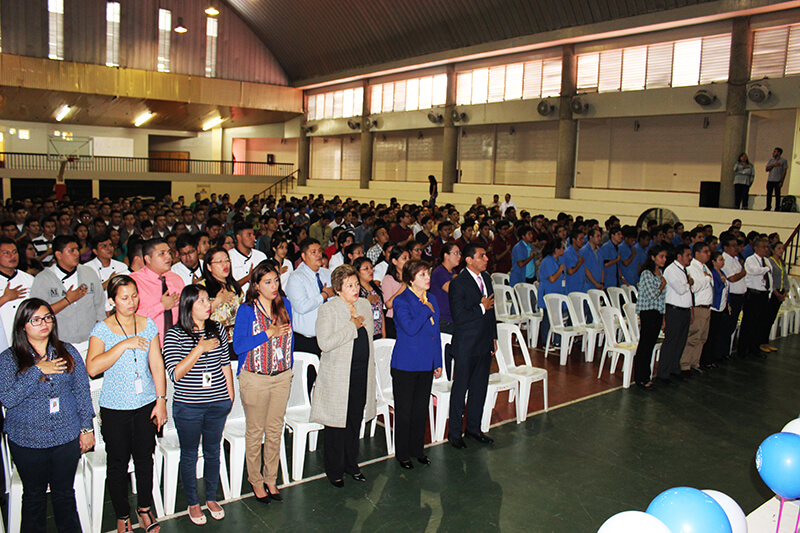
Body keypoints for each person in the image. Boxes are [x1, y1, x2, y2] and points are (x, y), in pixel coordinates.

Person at [0, 298, 94, 533]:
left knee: (65, 494)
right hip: (27, 440)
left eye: (48, 317)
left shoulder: (67, 351)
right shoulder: (9, 359)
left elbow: (82, 392)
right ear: (23, 325)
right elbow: (8, 399)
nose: (44, 323)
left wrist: (87, 429)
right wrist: (37, 370)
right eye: (36, 320)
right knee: (33, 498)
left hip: (65, 437)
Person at [86, 275, 167, 533]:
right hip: (115, 408)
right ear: (112, 301)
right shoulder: (102, 329)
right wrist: (123, 345)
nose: (131, 302)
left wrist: (161, 400)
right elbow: (92, 367)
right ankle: (122, 514)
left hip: (145, 404)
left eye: (134, 296)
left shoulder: (148, 324)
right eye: (124, 297)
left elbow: (156, 364)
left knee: (145, 460)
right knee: (118, 463)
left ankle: (144, 508)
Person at [163, 285, 234, 525]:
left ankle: (212, 498)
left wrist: (229, 397)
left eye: (208, 300)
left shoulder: (218, 329)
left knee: (213, 451)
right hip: (189, 407)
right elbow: (175, 374)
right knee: (190, 454)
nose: (208, 304)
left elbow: (225, 364)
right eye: (202, 301)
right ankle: (193, 502)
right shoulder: (175, 334)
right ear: (188, 305)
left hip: (217, 402)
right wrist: (199, 348)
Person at [232, 261, 294, 504]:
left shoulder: (284, 304)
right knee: (256, 431)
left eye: (276, 280)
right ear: (256, 285)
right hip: (255, 378)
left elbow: (290, 340)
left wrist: (287, 368)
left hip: (280, 376)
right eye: (268, 282)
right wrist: (268, 334)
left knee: (275, 429)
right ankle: (256, 480)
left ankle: (271, 478)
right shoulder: (247, 310)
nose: (274, 286)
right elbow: (238, 346)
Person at [310, 264, 376, 487]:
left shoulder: (364, 305)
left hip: (360, 373)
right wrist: (351, 326)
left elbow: (369, 340)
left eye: (357, 283)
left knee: (354, 421)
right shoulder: (328, 310)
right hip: (338, 376)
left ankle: (351, 464)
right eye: (349, 285)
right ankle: (334, 469)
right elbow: (325, 343)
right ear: (338, 289)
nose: (355, 288)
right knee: (336, 426)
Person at [391, 259, 442, 469]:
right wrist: (425, 309)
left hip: (426, 363)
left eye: (428, 274)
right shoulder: (401, 301)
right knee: (405, 410)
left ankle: (417, 449)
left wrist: (437, 361)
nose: (428, 278)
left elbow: (435, 333)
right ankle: (402, 453)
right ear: (411, 279)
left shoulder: (432, 298)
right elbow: (410, 328)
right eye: (422, 275)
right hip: (406, 364)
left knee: (421, 408)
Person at [448, 242, 496, 448]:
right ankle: (455, 433)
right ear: (469, 260)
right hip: (466, 344)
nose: (486, 259)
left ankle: (474, 428)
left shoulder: (486, 278)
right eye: (481, 256)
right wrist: (481, 307)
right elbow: (459, 317)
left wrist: (493, 337)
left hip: (484, 342)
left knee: (479, 388)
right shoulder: (458, 283)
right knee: (461, 390)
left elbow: (492, 310)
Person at [30, 235, 106, 356]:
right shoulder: (43, 278)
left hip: (90, 339)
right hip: (59, 342)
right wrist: (67, 300)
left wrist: (101, 333)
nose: (77, 253)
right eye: (71, 250)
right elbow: (37, 313)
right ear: (58, 255)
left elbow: (99, 305)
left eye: (77, 249)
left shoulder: (89, 273)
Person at [130, 238, 184, 347]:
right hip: (145, 345)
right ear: (148, 259)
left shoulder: (176, 279)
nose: (168, 256)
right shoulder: (134, 282)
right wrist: (161, 306)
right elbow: (129, 317)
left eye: (169, 252)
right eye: (161, 254)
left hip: (177, 346)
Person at [285, 238, 334, 356]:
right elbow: (301, 307)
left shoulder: (328, 274)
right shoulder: (296, 278)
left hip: (328, 336)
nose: (318, 255)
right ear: (303, 256)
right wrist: (324, 295)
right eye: (313, 252)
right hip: (306, 340)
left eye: (319, 251)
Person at [658, 244, 694, 385]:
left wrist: (690, 310)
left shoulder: (684, 270)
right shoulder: (671, 270)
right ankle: (663, 374)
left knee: (681, 342)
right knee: (671, 342)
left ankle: (674, 369)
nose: (690, 258)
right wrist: (689, 282)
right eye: (687, 255)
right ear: (679, 256)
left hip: (684, 310)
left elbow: (688, 291)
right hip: (674, 310)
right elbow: (680, 289)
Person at [633, 246, 666, 390]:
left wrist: (663, 316)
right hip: (648, 312)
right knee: (645, 345)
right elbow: (653, 295)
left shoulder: (661, 272)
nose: (664, 259)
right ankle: (640, 377)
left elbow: (663, 298)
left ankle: (647, 375)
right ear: (653, 257)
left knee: (651, 345)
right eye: (661, 256)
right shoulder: (646, 274)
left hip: (658, 312)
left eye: (665, 257)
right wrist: (662, 284)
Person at [680, 242, 713, 376]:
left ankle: (695, 363)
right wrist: (706, 279)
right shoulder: (692, 268)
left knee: (702, 338)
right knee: (693, 337)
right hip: (698, 307)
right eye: (705, 251)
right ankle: (685, 365)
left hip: (707, 307)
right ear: (697, 253)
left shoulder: (705, 267)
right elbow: (694, 287)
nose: (709, 254)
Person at [200, 247, 244, 344]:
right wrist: (218, 301)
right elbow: (197, 316)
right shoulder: (201, 288)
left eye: (227, 260)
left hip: (237, 339)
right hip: (214, 340)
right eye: (219, 262)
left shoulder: (234, 287)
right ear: (209, 266)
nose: (225, 264)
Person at [739, 237, 773, 357]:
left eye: (767, 247)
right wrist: (766, 269)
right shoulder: (751, 260)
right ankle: (743, 350)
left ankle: (754, 348)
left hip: (763, 294)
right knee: (749, 322)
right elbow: (754, 271)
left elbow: (770, 277)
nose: (766, 249)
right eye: (763, 247)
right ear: (756, 248)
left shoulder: (767, 261)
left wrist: (769, 292)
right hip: (753, 294)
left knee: (760, 323)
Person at [0, 237, 34, 346]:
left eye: (15, 252)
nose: (12, 256)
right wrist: (5, 298)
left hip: (26, 337)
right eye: (6, 253)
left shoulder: (29, 279)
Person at [700, 251, 729, 369]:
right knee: (710, 335)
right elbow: (716, 290)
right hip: (714, 307)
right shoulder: (713, 273)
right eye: (720, 259)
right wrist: (721, 283)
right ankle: (706, 359)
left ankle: (713, 357)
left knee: (717, 333)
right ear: (714, 261)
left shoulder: (722, 272)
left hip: (722, 306)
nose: (723, 262)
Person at [538, 238, 567, 347]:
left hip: (557, 292)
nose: (564, 249)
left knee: (557, 317)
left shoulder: (559, 260)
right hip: (549, 293)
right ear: (556, 249)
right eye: (562, 247)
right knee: (547, 318)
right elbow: (552, 279)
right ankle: (545, 342)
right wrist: (560, 269)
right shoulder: (547, 261)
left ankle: (557, 341)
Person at [430, 242, 460, 335]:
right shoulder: (440, 271)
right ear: (446, 255)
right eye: (456, 253)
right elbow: (453, 290)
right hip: (443, 319)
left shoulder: (452, 271)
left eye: (459, 253)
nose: (459, 256)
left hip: (452, 316)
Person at [381, 246, 410, 339]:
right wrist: (403, 287)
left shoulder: (412, 277)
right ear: (394, 261)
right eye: (404, 258)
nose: (408, 261)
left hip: (409, 317)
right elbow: (389, 304)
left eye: (409, 257)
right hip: (394, 320)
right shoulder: (388, 279)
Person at [229, 222, 267, 292]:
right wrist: (249, 277)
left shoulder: (261, 256)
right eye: (249, 235)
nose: (253, 238)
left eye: (253, 234)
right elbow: (229, 287)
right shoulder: (229, 257)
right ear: (239, 237)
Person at [353, 257, 385, 339]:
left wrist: (383, 334)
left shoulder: (376, 289)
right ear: (358, 272)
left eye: (371, 268)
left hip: (378, 332)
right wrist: (366, 301)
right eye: (366, 269)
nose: (370, 271)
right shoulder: (356, 291)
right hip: (364, 334)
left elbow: (381, 312)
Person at [765, 241, 788, 352]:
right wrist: (776, 293)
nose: (781, 251)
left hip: (781, 290)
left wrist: (785, 292)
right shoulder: (770, 261)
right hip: (774, 293)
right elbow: (771, 279)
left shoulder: (781, 262)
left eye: (782, 249)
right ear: (773, 250)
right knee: (767, 317)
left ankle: (766, 342)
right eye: (779, 248)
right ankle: (762, 342)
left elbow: (785, 278)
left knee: (772, 318)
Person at [765, 147, 788, 211]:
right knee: (769, 193)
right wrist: (773, 165)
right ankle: (768, 206)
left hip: (777, 180)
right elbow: (767, 169)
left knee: (777, 194)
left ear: (779, 153)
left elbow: (784, 171)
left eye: (775, 152)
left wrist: (782, 181)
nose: (773, 153)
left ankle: (777, 207)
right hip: (770, 179)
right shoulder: (771, 160)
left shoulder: (783, 161)